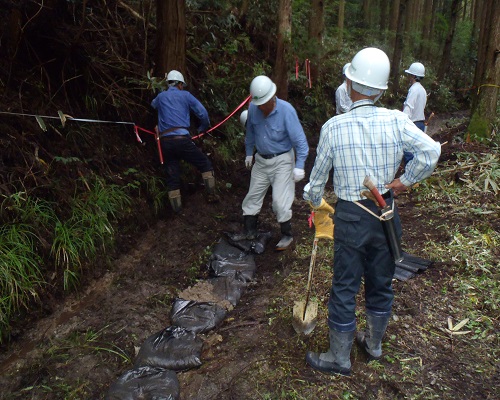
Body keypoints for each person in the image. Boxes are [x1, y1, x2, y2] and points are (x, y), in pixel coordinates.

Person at [303, 48, 441, 376]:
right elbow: (432, 151)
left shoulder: (334, 127)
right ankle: (374, 345)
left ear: (349, 84)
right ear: (380, 90)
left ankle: (339, 358)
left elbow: (316, 184)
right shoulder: (395, 119)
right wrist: (403, 182)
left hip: (350, 217)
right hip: (386, 216)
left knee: (345, 285)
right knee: (381, 281)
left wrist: (314, 203)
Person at [238, 75, 309, 251]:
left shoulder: (286, 111)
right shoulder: (253, 108)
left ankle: (287, 234)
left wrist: (299, 165)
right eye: (258, 104)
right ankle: (249, 230)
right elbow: (250, 133)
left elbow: (301, 142)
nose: (261, 107)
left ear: (272, 97)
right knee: (252, 196)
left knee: (279, 200)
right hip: (261, 160)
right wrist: (249, 154)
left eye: (264, 103)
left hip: (283, 159)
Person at [151, 70, 216, 212]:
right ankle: (211, 195)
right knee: (204, 164)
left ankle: (177, 211)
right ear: (180, 84)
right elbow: (202, 113)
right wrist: (202, 128)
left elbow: (153, 105)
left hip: (166, 143)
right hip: (182, 140)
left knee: (172, 176)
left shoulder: (161, 97)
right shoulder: (186, 95)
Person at [402, 62, 427, 164]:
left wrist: (402, 122)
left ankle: (409, 177)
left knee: (408, 153)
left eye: (410, 75)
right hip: (420, 124)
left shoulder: (413, 89)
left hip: (413, 124)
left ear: (413, 76)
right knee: (416, 152)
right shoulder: (423, 90)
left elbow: (408, 107)